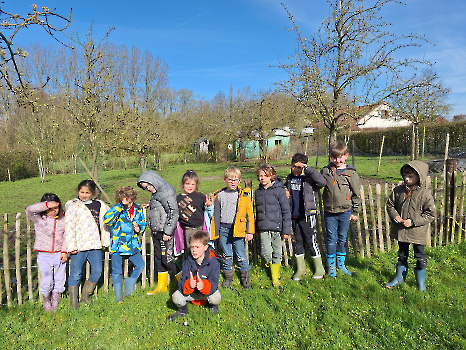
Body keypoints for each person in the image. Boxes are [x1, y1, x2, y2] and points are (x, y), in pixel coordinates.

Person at [385, 161, 436, 291]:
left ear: (419, 176)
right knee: (402, 254)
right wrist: (395, 215)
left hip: (417, 232)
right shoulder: (398, 190)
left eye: (411, 176)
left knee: (420, 256)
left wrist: (413, 221)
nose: (407, 179)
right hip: (402, 230)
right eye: (405, 175)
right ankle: (399, 278)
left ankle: (420, 284)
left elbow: (431, 214)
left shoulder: (424, 194)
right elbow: (390, 205)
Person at [64, 180, 110, 309]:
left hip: (95, 244)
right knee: (76, 272)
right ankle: (73, 302)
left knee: (97, 270)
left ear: (93, 193)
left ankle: (85, 295)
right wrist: (71, 246)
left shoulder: (99, 205)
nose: (84, 195)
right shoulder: (73, 206)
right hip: (79, 245)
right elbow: (69, 227)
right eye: (81, 192)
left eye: (87, 192)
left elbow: (111, 216)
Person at [210, 166, 254, 288]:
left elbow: (249, 214)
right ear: (225, 179)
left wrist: (249, 231)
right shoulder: (219, 195)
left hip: (238, 230)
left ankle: (245, 278)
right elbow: (215, 214)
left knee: (241, 255)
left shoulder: (243, 196)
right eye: (230, 180)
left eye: (236, 180)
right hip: (223, 230)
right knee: (226, 255)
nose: (233, 182)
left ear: (240, 181)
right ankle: (228, 277)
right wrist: (215, 232)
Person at [285, 153, 327, 280]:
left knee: (311, 241)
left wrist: (308, 170)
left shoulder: (309, 179)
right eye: (293, 166)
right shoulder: (289, 178)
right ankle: (300, 269)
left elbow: (322, 182)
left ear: (303, 167)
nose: (295, 169)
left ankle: (319, 269)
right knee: (298, 242)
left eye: (298, 167)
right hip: (294, 216)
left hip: (307, 215)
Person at [321, 143, 361, 277]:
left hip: (345, 212)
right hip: (329, 212)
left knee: (342, 238)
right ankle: (331, 267)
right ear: (330, 157)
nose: (337, 161)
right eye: (334, 158)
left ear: (346, 156)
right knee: (331, 239)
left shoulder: (351, 173)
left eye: (340, 158)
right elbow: (317, 182)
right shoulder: (325, 171)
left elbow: (356, 193)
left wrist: (355, 212)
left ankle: (341, 264)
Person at [137, 170, 179, 294]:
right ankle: (161, 286)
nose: (148, 189)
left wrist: (167, 232)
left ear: (153, 180)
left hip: (164, 232)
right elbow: (160, 207)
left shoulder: (166, 191)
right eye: (145, 188)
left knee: (167, 259)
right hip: (156, 231)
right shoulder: (157, 194)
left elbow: (173, 212)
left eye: (148, 186)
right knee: (159, 260)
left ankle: (184, 282)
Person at [104, 186, 147, 303]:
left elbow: (143, 222)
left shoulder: (137, 209)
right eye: (124, 199)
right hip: (118, 246)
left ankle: (128, 290)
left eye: (128, 199)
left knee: (140, 264)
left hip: (133, 245)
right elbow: (106, 220)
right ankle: (118, 297)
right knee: (117, 271)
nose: (126, 202)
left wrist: (140, 228)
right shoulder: (117, 208)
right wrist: (118, 208)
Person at [25, 193, 67, 312]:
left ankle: (56, 299)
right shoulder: (38, 219)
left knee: (60, 278)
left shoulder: (64, 218)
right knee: (47, 279)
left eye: (56, 208)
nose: (54, 211)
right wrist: (46, 205)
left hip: (59, 253)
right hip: (44, 255)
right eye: (50, 209)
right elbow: (28, 210)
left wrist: (64, 251)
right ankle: (46, 300)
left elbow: (66, 236)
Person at [167, 230, 221, 321]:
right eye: (192, 247)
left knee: (216, 298)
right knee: (175, 296)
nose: (194, 250)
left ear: (205, 247)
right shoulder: (187, 262)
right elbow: (181, 284)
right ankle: (183, 310)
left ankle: (212, 306)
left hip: (206, 293)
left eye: (197, 247)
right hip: (192, 293)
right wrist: (189, 285)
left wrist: (204, 285)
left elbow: (214, 284)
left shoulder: (214, 262)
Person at [255, 165, 291, 286]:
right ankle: (273, 268)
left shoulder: (279, 191)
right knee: (266, 252)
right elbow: (257, 211)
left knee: (277, 252)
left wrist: (286, 230)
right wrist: (256, 228)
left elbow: (285, 211)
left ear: (272, 176)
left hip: (277, 227)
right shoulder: (258, 192)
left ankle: (275, 276)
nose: (262, 178)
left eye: (265, 175)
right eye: (260, 176)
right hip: (264, 228)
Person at [177, 170, 213, 251]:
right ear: (182, 184)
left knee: (202, 249)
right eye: (187, 184)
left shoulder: (200, 196)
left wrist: (209, 205)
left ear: (196, 185)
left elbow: (210, 212)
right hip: (189, 229)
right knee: (191, 249)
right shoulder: (178, 198)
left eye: (193, 184)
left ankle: (202, 263)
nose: (190, 186)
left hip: (201, 228)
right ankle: (190, 263)